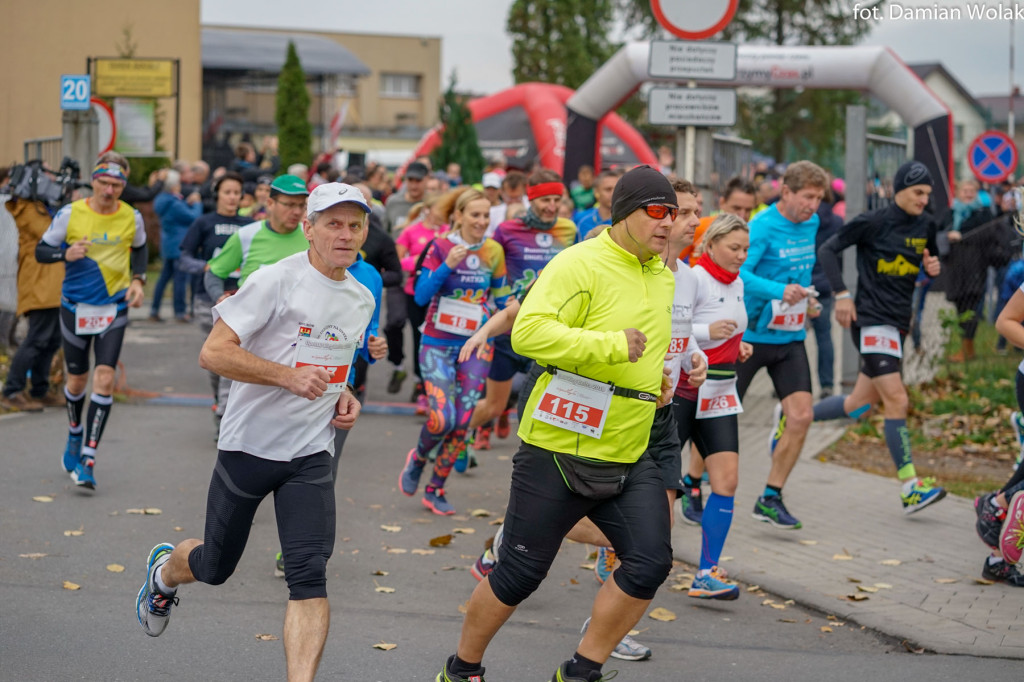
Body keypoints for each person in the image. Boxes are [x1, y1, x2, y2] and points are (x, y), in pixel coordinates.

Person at [435, 165, 677, 682]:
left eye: (673, 214)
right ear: (625, 213)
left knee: (650, 562)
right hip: (559, 444)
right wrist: (611, 348)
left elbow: (643, 347)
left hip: (630, 447)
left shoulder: (662, 274)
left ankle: (580, 670)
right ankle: (462, 670)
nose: (667, 223)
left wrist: (658, 380)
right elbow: (528, 333)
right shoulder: (579, 262)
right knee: (520, 574)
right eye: (657, 211)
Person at [135, 183, 375, 682]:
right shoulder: (274, 281)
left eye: (355, 224)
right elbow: (214, 353)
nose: (345, 234)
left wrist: (344, 391)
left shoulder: (360, 297)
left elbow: (330, 358)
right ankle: (164, 573)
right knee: (215, 567)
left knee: (308, 575)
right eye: (333, 223)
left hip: (311, 454)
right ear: (308, 229)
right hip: (249, 447)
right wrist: (286, 376)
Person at [814, 160, 947, 514]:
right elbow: (827, 250)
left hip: (898, 324)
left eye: (927, 194)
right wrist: (841, 294)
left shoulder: (926, 225)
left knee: (858, 404)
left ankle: (794, 415)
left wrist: (933, 267)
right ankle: (910, 486)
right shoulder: (872, 222)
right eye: (918, 193)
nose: (923, 200)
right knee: (897, 400)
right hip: (871, 321)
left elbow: (930, 260)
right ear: (899, 189)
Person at [35, 160, 147, 489]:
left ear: (123, 187)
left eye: (117, 185)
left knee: (105, 376)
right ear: (94, 182)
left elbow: (140, 249)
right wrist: (64, 254)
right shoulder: (71, 214)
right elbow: (42, 250)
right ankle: (74, 431)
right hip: (75, 307)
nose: (110, 191)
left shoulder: (132, 216)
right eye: (104, 183)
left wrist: (138, 280)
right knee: (77, 379)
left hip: (114, 306)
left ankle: (88, 457)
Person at [398, 189, 508, 515]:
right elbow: (420, 296)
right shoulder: (440, 246)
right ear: (458, 216)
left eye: (486, 216)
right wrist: (447, 265)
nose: (481, 221)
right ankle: (418, 458)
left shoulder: (494, 251)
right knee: (440, 418)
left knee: (461, 424)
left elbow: (502, 300)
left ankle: (436, 489)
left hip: (475, 347)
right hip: (437, 344)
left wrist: (518, 303)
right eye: (475, 215)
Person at [735, 160, 828, 530]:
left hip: (789, 337)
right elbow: (738, 271)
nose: (813, 206)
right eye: (807, 197)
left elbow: (802, 271)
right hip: (750, 336)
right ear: (785, 192)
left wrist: (809, 300)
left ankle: (770, 496)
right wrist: (778, 291)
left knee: (802, 416)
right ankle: (694, 483)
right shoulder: (760, 227)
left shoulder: (813, 223)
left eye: (819, 198)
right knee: (717, 416)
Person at [467, 170, 578, 451]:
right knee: (492, 405)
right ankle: (452, 437)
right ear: (532, 199)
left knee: (544, 403)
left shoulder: (568, 230)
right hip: (511, 325)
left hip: (550, 328)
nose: (551, 206)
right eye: (545, 200)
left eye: (557, 199)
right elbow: (490, 266)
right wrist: (497, 297)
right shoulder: (507, 230)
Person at [675, 213, 753, 597]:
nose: (741, 256)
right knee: (658, 486)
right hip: (683, 389)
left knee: (727, 481)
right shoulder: (693, 278)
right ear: (711, 245)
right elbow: (672, 325)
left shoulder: (736, 283)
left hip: (721, 389)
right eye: (733, 248)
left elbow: (731, 326)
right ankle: (615, 552)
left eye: (745, 249)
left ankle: (707, 572)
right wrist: (708, 332)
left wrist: (738, 344)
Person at [178, 171, 250, 431]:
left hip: (242, 301)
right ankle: (220, 404)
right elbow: (184, 258)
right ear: (217, 194)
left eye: (236, 193)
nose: (232, 198)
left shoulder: (250, 226)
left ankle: (225, 416)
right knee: (214, 361)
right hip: (207, 299)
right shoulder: (203, 223)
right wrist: (208, 267)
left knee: (231, 356)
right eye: (227, 192)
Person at [1, 185, 67, 411]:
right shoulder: (27, 209)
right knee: (37, 339)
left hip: (52, 284)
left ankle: (40, 389)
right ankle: (11, 390)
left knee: (52, 341)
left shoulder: (41, 208)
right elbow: (52, 234)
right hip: (40, 285)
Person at [203, 174, 310, 301]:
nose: (297, 211)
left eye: (301, 205)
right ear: (270, 203)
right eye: (290, 205)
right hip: (253, 318)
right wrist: (219, 297)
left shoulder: (311, 237)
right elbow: (214, 273)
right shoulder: (246, 235)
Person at [394, 194, 446, 409]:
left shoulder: (448, 233)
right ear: (428, 209)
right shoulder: (411, 231)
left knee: (440, 339)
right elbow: (397, 261)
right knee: (419, 338)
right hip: (415, 293)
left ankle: (437, 388)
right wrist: (417, 261)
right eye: (439, 209)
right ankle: (420, 385)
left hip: (442, 295)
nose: (443, 214)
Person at [150, 170, 202, 322]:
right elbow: (193, 217)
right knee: (180, 280)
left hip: (168, 245)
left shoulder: (163, 200)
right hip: (179, 246)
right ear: (173, 187)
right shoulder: (174, 203)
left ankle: (154, 309)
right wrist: (197, 203)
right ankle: (180, 312)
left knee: (164, 279)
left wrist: (186, 202)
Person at [679, 177, 755, 264]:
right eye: (736, 208)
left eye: (748, 210)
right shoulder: (700, 226)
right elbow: (673, 261)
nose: (742, 215)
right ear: (722, 203)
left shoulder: (754, 233)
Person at [574, 169, 620, 241]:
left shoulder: (626, 221)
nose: (613, 193)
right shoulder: (580, 219)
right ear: (596, 191)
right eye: (608, 189)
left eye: (617, 189)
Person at [385, 161, 428, 233]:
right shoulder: (393, 202)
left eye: (418, 180)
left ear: (427, 179)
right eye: (410, 180)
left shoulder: (431, 204)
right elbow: (385, 231)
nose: (414, 186)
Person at [486, 171, 528, 236]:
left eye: (517, 198)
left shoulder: (532, 209)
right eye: (509, 198)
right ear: (502, 193)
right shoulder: (493, 213)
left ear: (524, 192)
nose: (513, 202)